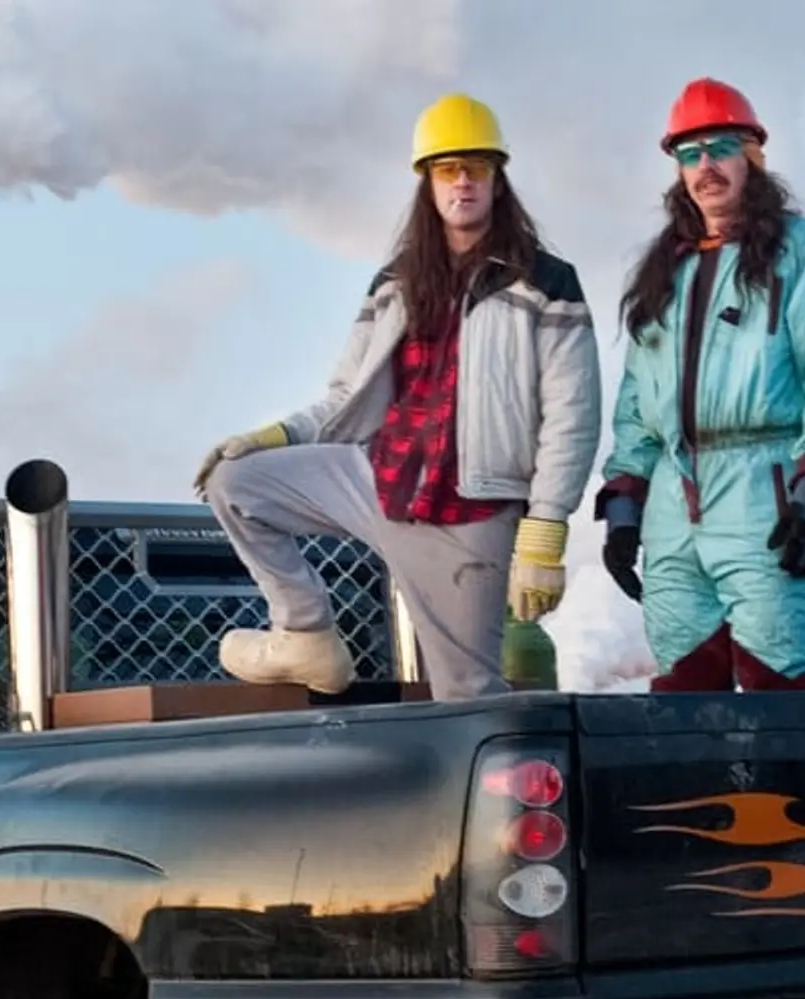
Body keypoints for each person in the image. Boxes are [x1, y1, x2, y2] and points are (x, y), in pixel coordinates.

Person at [195, 93, 602, 700]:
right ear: (427, 183)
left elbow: (573, 414)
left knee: (466, 698)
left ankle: (511, 791)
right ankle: (306, 634)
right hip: (378, 480)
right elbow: (345, 395)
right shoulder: (394, 284)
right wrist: (273, 436)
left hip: (471, 511)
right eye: (447, 169)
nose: (462, 182)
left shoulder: (546, 283)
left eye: (476, 167)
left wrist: (546, 525)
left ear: (498, 179)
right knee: (236, 481)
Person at [594, 77, 805, 690]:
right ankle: (707, 790)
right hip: (672, 500)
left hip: (762, 490)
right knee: (683, 682)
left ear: (752, 157)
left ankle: (795, 787)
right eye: (688, 156)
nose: (705, 168)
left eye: (719, 148)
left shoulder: (803, 251)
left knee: (778, 676)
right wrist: (624, 507)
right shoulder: (663, 272)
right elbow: (638, 401)